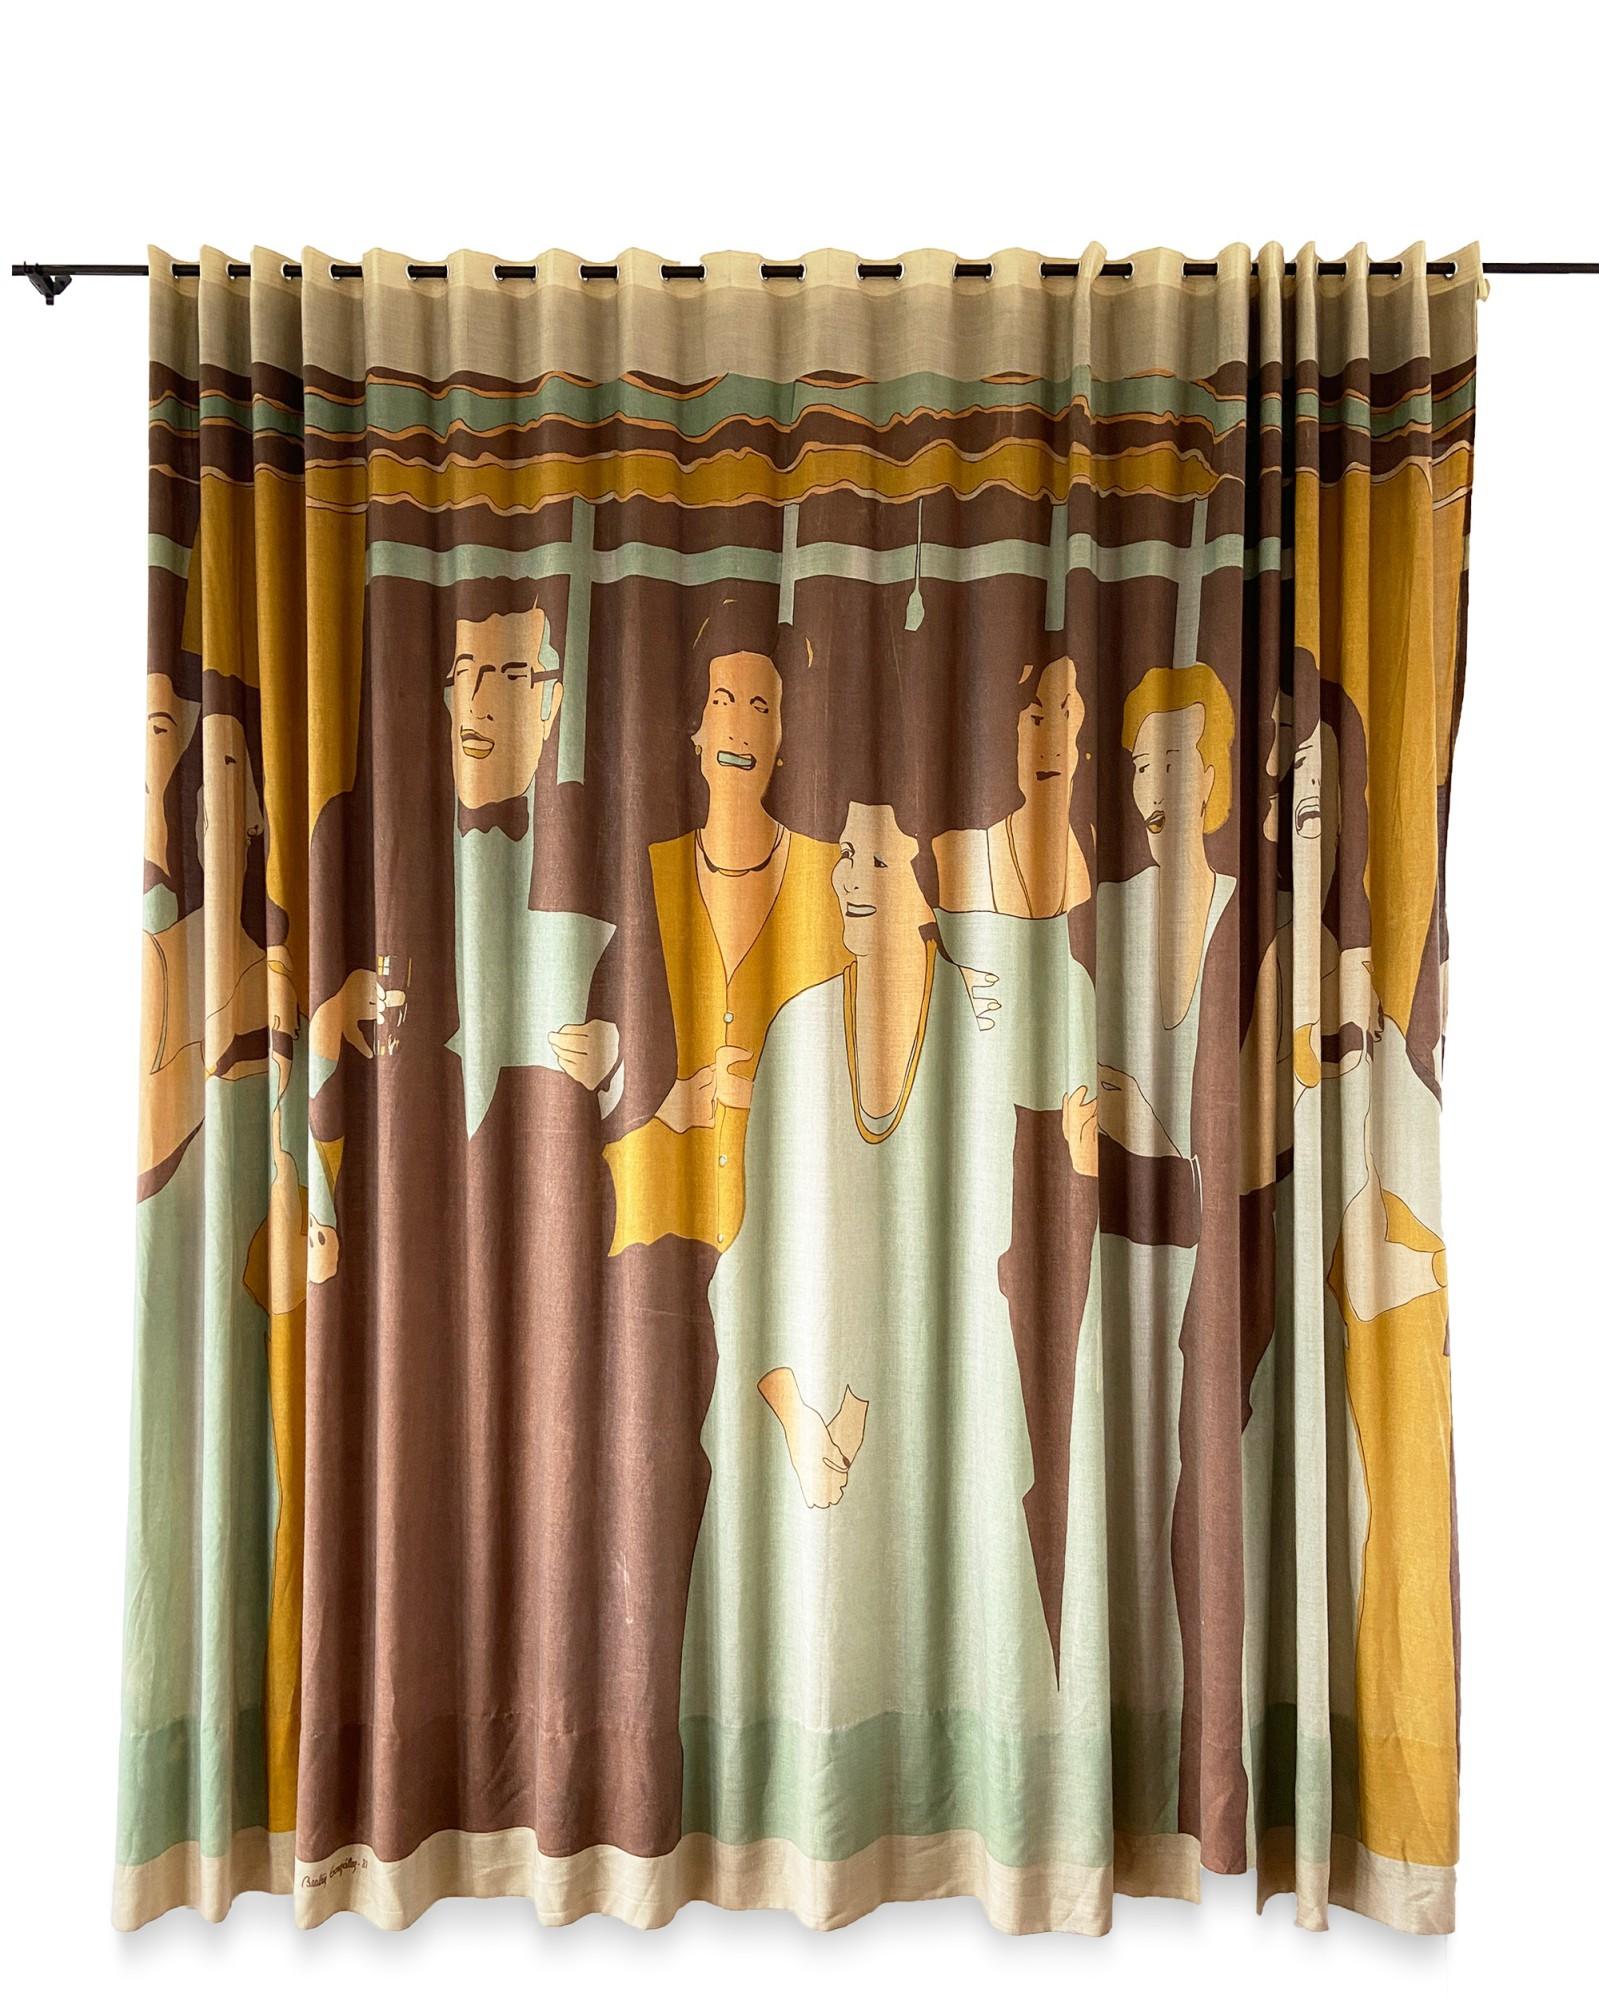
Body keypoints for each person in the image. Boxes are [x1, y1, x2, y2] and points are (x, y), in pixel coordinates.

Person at [679, 794, 1103, 1857]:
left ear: (927, 876)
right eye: (843, 855)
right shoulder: (795, 1026)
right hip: (800, 1398)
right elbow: (753, 1251)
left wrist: (857, 1413)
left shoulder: (984, 1022)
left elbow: (973, 1241)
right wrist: (792, 1413)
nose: (846, 877)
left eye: (875, 856)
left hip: (944, 1398)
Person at [602, 598, 847, 1254]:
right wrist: (664, 1108)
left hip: (800, 1246)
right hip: (649, 1239)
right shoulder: (642, 878)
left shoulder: (839, 881)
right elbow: (574, 1124)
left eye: (761, 707)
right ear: (695, 728)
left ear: (786, 741)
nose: (738, 727)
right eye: (723, 701)